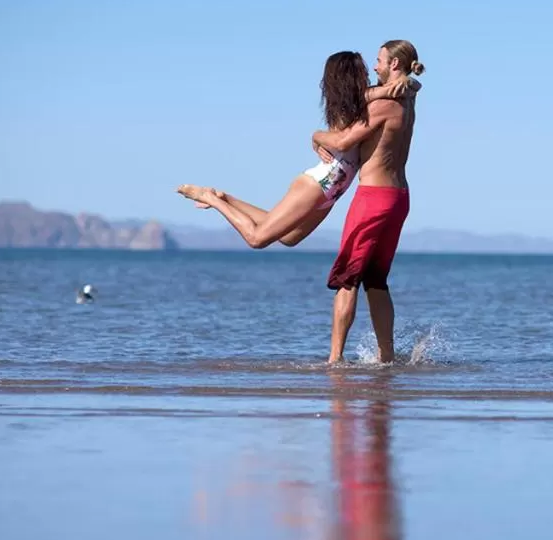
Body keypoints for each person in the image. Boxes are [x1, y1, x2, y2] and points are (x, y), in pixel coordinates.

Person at [176, 50, 417, 249]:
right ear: (350, 76)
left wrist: (407, 81)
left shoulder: (360, 101)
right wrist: (316, 136)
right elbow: (354, 122)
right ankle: (210, 199)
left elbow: (406, 87)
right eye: (362, 72)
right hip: (320, 183)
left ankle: (225, 198)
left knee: (289, 238)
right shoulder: (354, 103)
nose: (370, 73)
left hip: (334, 189)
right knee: (257, 239)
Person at [310, 41, 423, 364]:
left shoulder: (384, 104)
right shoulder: (408, 96)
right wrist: (409, 81)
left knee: (348, 278)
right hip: (399, 198)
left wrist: (316, 135)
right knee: (376, 279)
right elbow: (413, 83)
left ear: (395, 65)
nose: (374, 67)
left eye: (379, 61)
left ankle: (334, 360)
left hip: (373, 198)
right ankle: (386, 358)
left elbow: (344, 140)